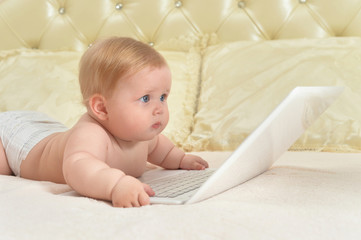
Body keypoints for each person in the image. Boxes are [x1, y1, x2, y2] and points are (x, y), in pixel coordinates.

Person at [0, 37, 208, 208]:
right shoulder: (90, 134)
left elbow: (163, 151)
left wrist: (180, 160)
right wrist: (115, 184)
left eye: (163, 97)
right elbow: (77, 168)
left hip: (49, 129)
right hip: (20, 139)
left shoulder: (142, 136)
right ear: (102, 108)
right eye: (145, 98)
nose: (159, 108)